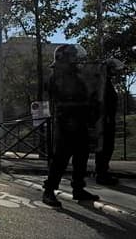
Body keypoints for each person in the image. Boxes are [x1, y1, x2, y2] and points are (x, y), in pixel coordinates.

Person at [43, 44, 100, 207]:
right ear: (64, 58)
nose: (75, 60)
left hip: (79, 120)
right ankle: (49, 190)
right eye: (72, 57)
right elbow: (65, 98)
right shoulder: (58, 75)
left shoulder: (75, 75)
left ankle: (78, 189)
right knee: (60, 158)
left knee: (81, 156)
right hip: (66, 121)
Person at [95, 59, 124, 185]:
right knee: (105, 147)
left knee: (107, 147)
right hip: (104, 121)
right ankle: (101, 174)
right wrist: (105, 117)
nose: (115, 72)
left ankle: (102, 172)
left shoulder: (106, 82)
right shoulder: (103, 83)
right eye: (113, 69)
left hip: (107, 120)